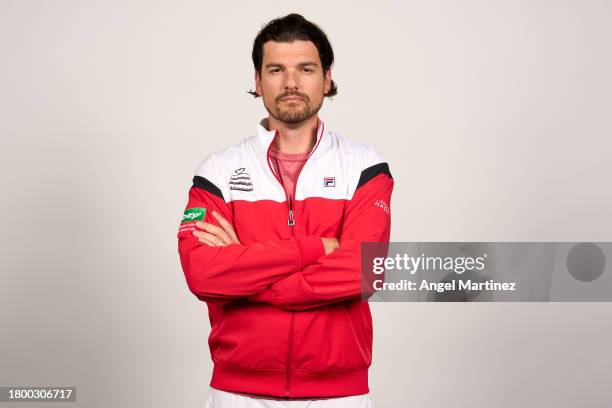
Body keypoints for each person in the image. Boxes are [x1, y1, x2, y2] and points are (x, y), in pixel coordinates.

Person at [177, 13, 393, 408]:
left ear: (326, 79)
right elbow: (202, 272)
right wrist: (317, 249)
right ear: (258, 82)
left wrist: (249, 275)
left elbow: (366, 270)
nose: (291, 82)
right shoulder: (218, 170)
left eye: (305, 69)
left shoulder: (363, 165)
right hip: (236, 393)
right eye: (276, 69)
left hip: (338, 395)